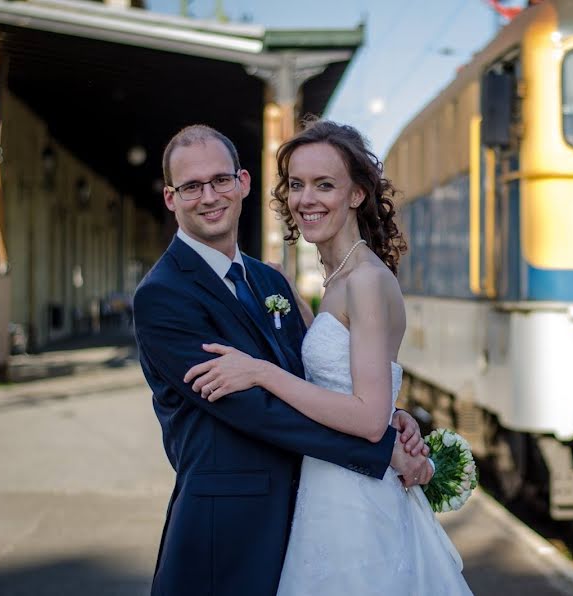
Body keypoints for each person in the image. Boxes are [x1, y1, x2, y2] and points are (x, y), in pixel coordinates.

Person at [133, 124, 433, 596]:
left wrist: (388, 414)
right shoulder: (162, 296)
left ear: (243, 183)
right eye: (191, 186)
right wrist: (379, 448)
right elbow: (254, 408)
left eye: (220, 180)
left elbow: (308, 379)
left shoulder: (268, 281)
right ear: (171, 198)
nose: (209, 196)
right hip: (229, 531)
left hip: (312, 512)